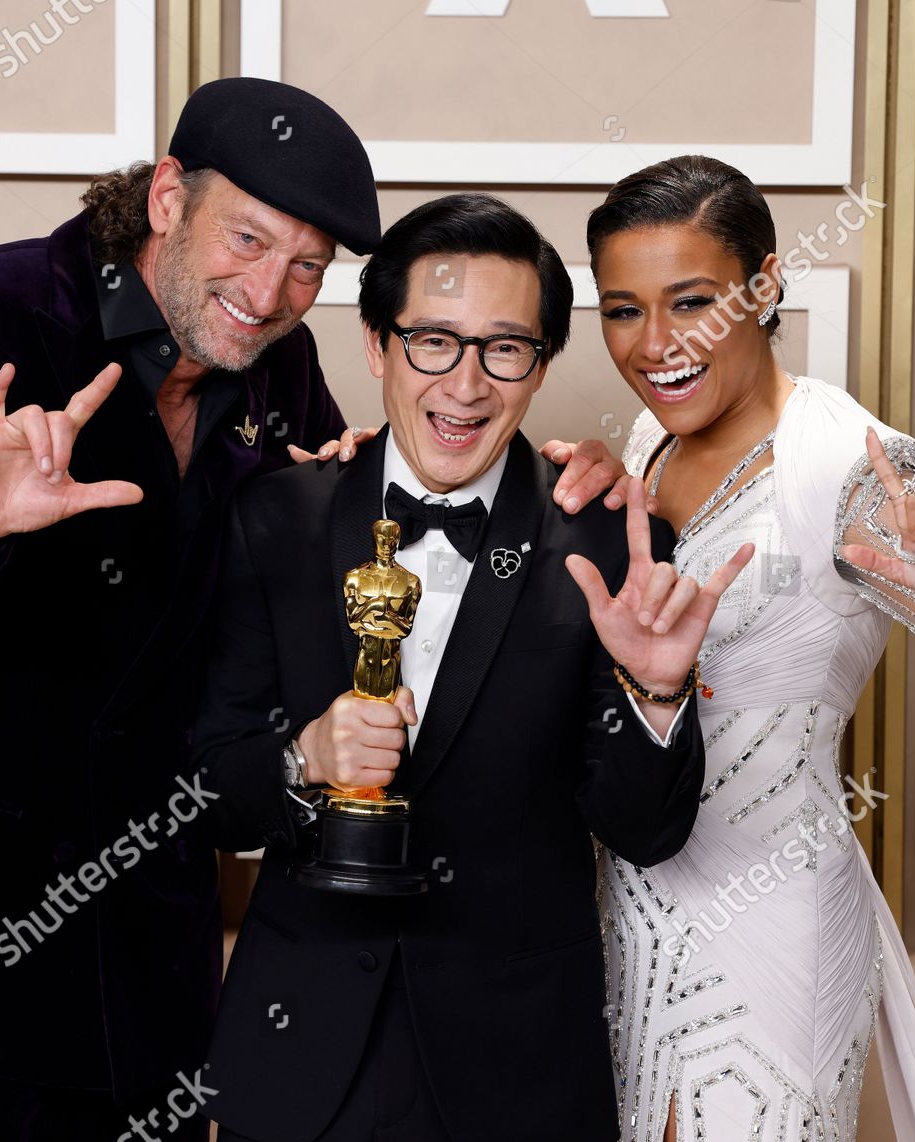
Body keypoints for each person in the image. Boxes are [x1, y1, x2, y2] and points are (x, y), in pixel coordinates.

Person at [0, 77, 621, 1140]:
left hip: (146, 970)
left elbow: (342, 517)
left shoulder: (276, 364)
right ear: (167, 198)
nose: (272, 287)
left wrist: (553, 482)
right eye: (247, 239)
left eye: (308, 264)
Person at [191, 192, 753, 1142]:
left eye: (505, 349)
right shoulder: (271, 518)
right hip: (297, 1059)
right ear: (376, 345)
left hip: (518, 1070)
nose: (465, 385)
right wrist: (304, 760)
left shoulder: (616, 544)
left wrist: (657, 691)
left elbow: (645, 835)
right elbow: (204, 788)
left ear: (539, 368)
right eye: (434, 343)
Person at [587, 154, 915, 1142]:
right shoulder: (650, 439)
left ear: (766, 285)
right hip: (629, 902)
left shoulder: (850, 463)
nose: (657, 344)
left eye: (692, 302)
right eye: (622, 310)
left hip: (773, 909)